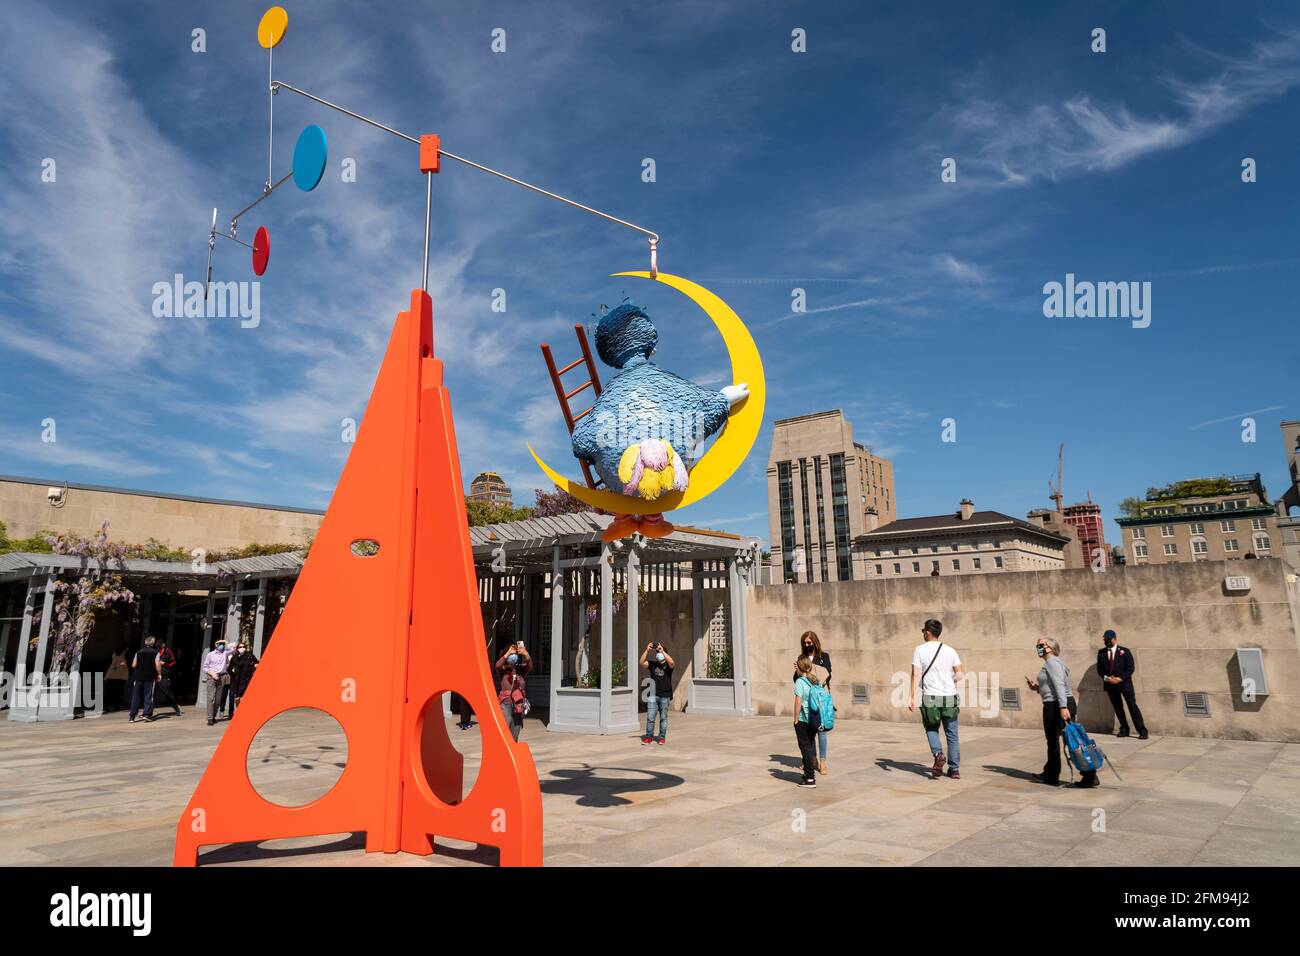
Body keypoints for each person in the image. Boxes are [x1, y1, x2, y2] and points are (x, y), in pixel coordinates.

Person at [1027, 637, 1098, 788]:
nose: (1038, 647)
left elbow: (1059, 686)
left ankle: (1087, 775)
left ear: (1051, 648)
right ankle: (1051, 773)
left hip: (1056, 705)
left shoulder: (1052, 663)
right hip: (1057, 703)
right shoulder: (1053, 664)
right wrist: (1037, 688)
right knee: (1064, 740)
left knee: (1066, 741)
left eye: (1041, 645)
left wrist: (1063, 707)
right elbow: (1053, 686)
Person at [908, 618, 962, 779]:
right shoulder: (950, 650)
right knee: (952, 734)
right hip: (950, 697)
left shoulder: (919, 650)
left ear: (928, 632)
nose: (923, 633)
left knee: (931, 728)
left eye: (923, 630)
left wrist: (911, 696)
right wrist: (950, 681)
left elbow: (916, 674)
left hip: (931, 696)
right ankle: (954, 770)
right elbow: (960, 674)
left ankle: (938, 754)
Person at [1096, 629, 1148, 739]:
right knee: (1118, 708)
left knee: (1132, 706)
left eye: (1108, 640)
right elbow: (1100, 669)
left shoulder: (1125, 651)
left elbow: (1130, 668)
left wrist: (1120, 679)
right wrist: (1107, 678)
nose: (1106, 642)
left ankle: (1142, 730)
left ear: (1114, 639)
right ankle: (1124, 729)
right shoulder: (1101, 652)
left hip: (1125, 684)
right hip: (1110, 684)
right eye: (1105, 640)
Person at [797, 631, 832, 773]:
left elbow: (827, 676)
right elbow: (797, 681)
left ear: (815, 642)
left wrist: (808, 673)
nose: (806, 645)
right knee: (809, 731)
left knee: (822, 731)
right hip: (807, 700)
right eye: (804, 643)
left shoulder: (824, 657)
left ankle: (823, 762)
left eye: (809, 643)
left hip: (821, 698)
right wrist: (798, 672)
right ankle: (813, 759)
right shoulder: (802, 657)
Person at [639, 641, 675, 745]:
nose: (658, 653)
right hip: (653, 695)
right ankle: (649, 736)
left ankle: (661, 737)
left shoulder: (668, 666)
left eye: (660, 650)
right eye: (657, 651)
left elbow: (672, 663)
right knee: (650, 717)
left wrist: (662, 651)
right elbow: (641, 662)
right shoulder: (653, 664)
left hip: (665, 695)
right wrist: (647, 650)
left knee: (663, 718)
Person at [494, 642, 531, 741]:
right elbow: (497, 665)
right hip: (506, 704)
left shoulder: (520, 669)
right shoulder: (503, 670)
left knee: (516, 729)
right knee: (506, 725)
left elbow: (529, 666)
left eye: (514, 654)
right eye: (511, 654)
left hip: (518, 705)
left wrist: (526, 654)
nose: (513, 656)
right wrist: (508, 653)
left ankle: (513, 748)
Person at [792, 657, 819, 788]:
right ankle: (808, 774)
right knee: (810, 746)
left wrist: (796, 719)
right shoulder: (815, 681)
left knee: (805, 748)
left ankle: (809, 778)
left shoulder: (800, 682)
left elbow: (798, 701)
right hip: (814, 719)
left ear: (799, 667)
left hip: (803, 719)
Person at [128, 637, 162, 723]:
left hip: (138, 676)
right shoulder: (156, 652)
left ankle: (132, 716)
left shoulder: (138, 652)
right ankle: (146, 714)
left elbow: (133, 665)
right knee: (148, 696)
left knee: (136, 696)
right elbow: (157, 664)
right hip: (149, 677)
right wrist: (159, 674)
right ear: (153, 644)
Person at [148, 639, 183, 718]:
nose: (161, 646)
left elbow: (173, 662)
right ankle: (149, 712)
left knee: (167, 693)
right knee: (151, 694)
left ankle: (176, 708)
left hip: (165, 675)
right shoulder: (155, 651)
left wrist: (165, 664)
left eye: (161, 644)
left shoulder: (168, 651)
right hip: (155, 675)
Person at [201, 638, 230, 726]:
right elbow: (205, 667)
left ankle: (213, 715)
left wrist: (225, 642)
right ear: (216, 645)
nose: (221, 645)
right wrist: (212, 673)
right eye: (219, 644)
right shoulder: (210, 654)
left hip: (221, 677)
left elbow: (233, 649)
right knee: (210, 698)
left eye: (222, 644)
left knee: (218, 699)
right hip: (211, 676)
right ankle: (209, 718)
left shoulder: (225, 653)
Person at [227, 641, 259, 715]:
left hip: (246, 678)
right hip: (236, 679)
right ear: (237, 648)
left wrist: (254, 667)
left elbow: (257, 663)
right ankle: (238, 710)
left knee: (242, 697)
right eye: (240, 647)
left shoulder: (249, 656)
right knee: (237, 698)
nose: (242, 648)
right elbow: (229, 668)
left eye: (243, 647)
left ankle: (240, 713)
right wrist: (233, 675)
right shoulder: (234, 657)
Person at [105, 643, 130, 713]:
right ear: (125, 648)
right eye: (128, 648)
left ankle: (108, 706)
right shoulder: (125, 655)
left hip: (112, 675)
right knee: (117, 692)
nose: (129, 649)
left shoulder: (115, 654)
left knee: (111, 691)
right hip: (120, 676)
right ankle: (115, 706)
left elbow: (111, 664)